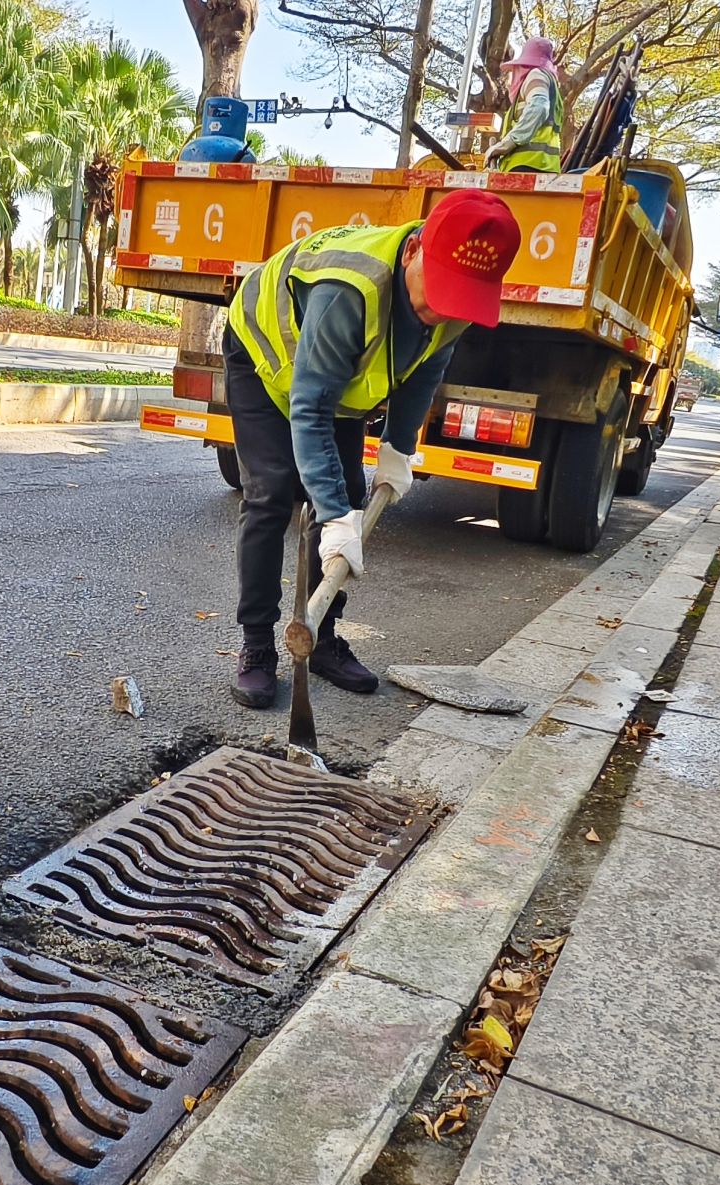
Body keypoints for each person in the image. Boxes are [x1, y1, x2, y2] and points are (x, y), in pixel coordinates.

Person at [223, 192, 523, 708]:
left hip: (332, 378)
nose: (437, 313)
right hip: (266, 357)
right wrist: (338, 517)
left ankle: (319, 636)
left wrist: (398, 448)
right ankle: (256, 647)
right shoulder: (349, 291)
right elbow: (310, 407)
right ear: (412, 251)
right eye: (435, 293)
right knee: (272, 491)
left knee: (348, 492)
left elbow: (426, 369)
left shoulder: (458, 303)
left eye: (456, 300)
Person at [485, 37, 566, 174]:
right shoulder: (551, 85)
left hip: (526, 166)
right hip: (545, 168)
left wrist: (507, 143)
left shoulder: (536, 75)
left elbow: (539, 107)